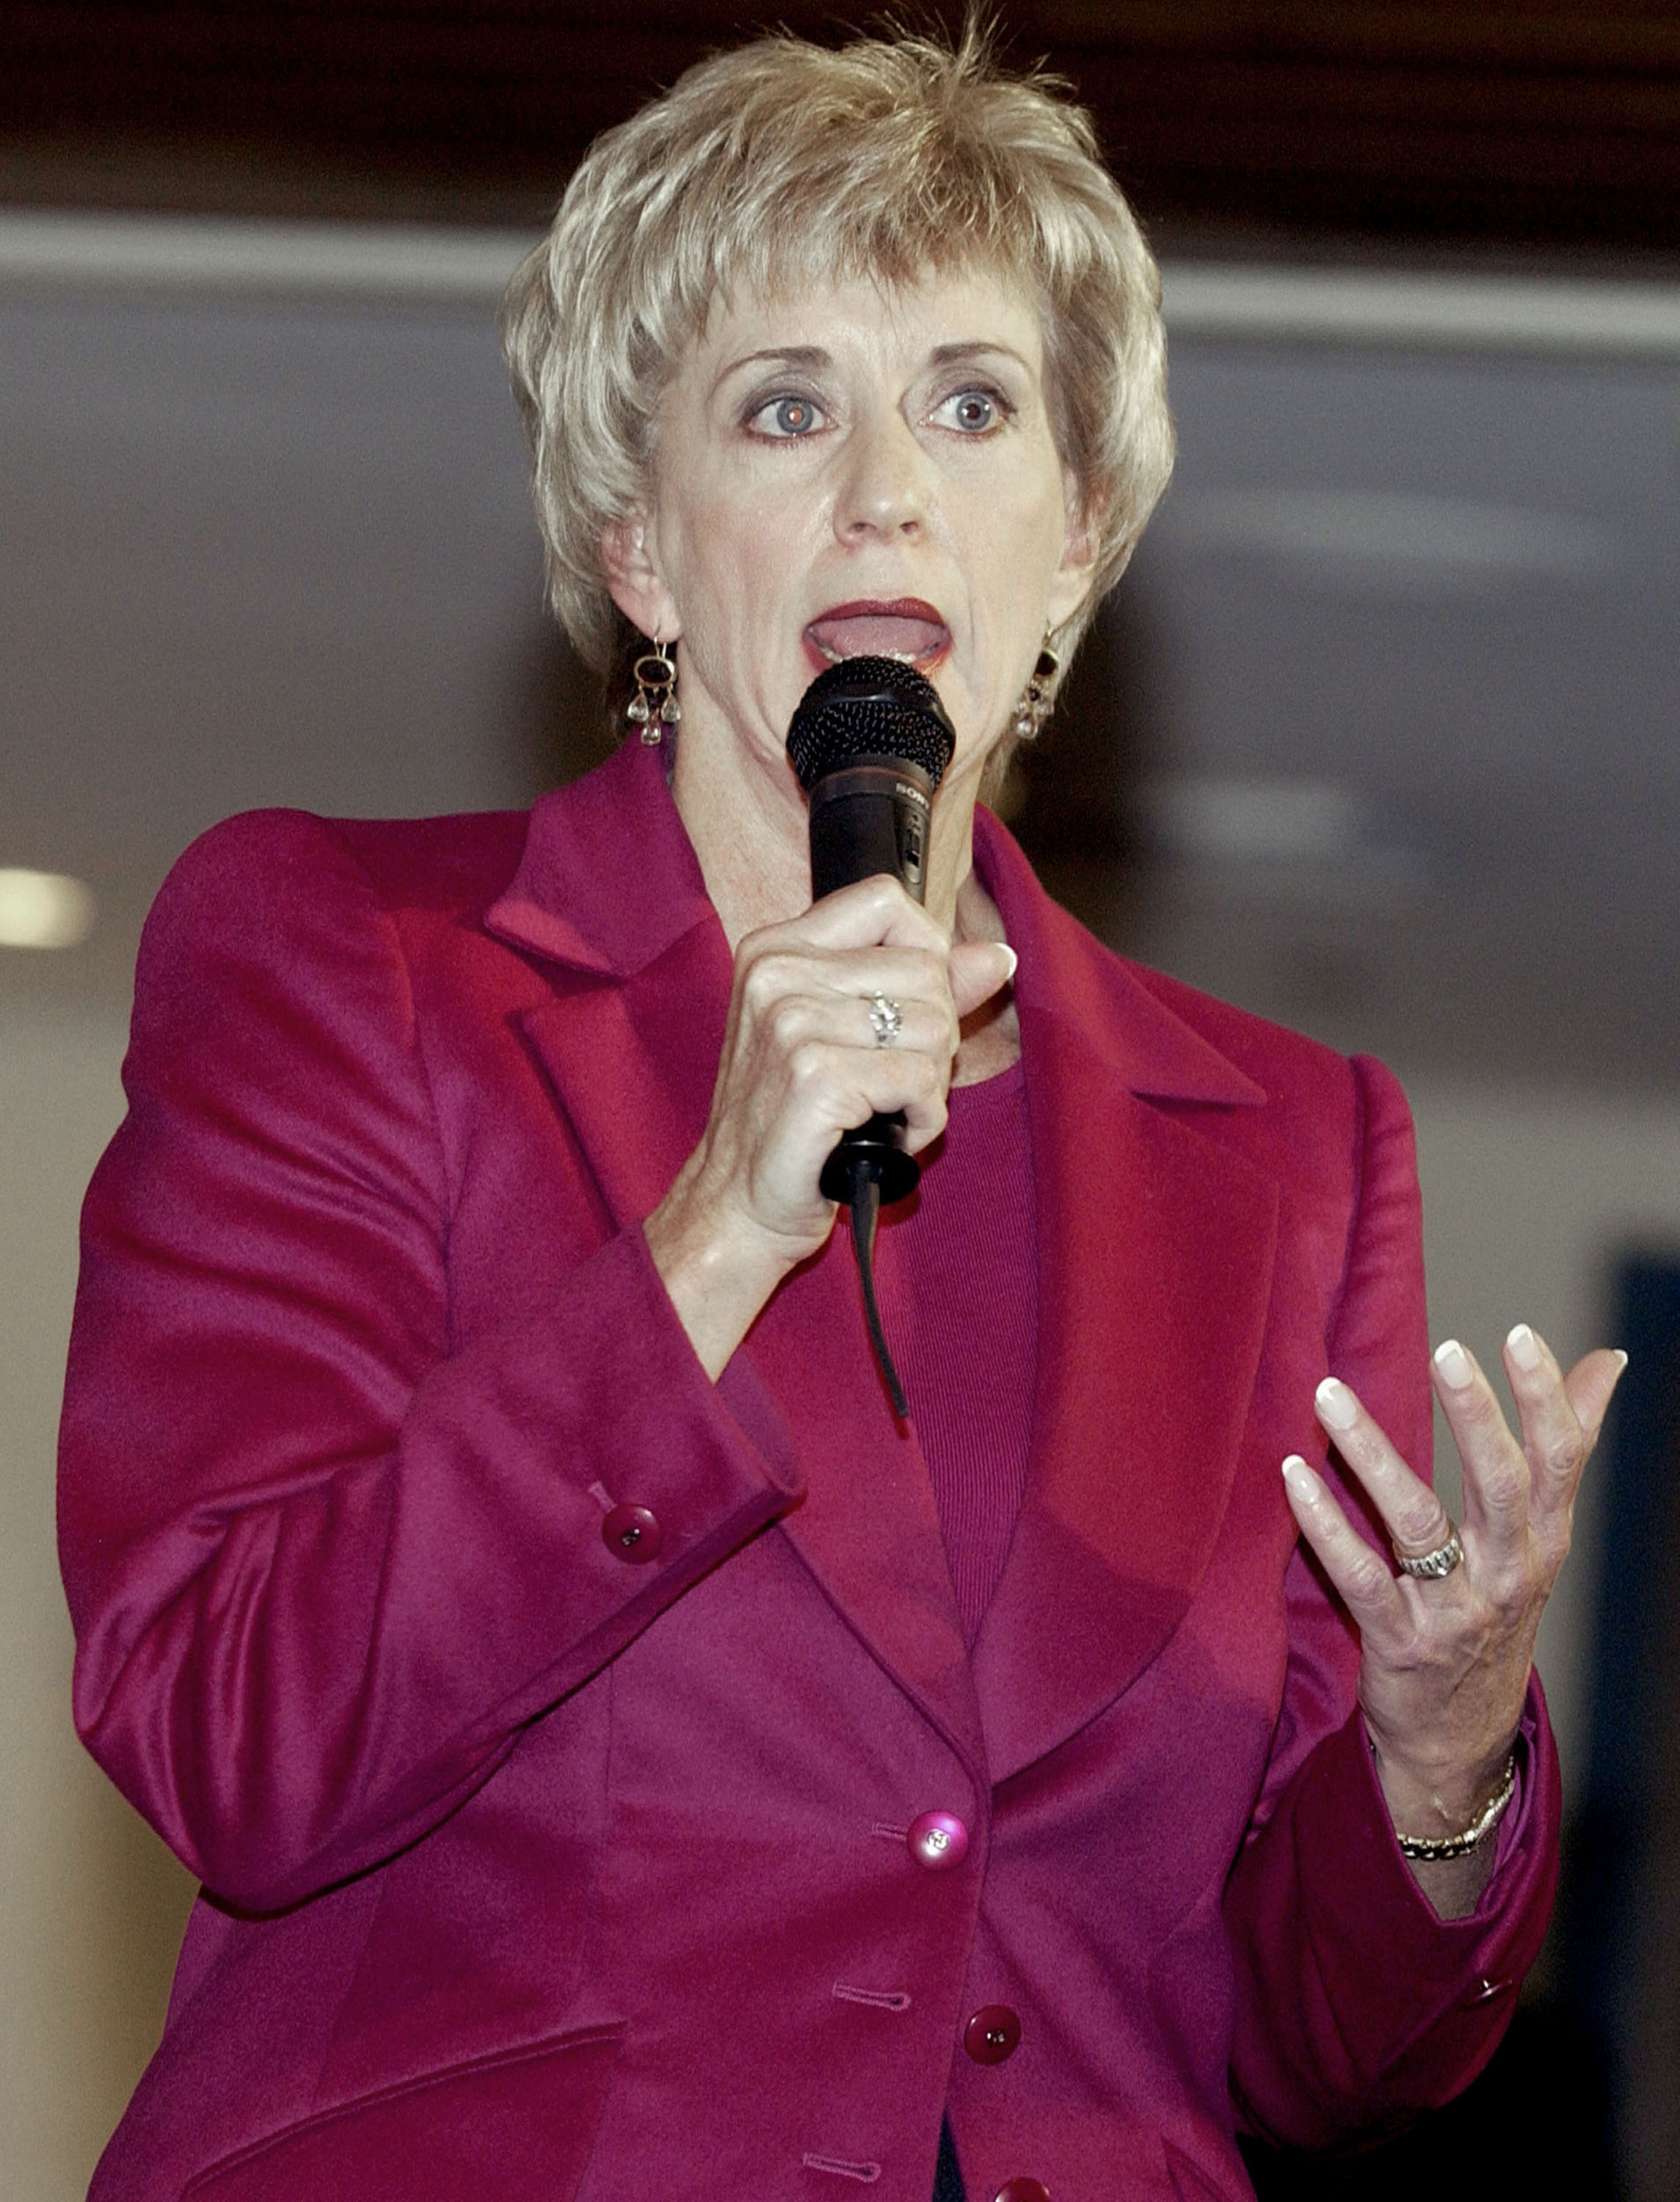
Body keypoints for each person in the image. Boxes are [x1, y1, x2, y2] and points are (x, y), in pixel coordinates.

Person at [58, 26, 1623, 2202]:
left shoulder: (1286, 1141)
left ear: (1071, 543)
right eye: (784, 406)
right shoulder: (356, 963)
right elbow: (231, 1735)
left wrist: (1434, 1756)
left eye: (971, 407)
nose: (888, 485)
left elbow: (1307, 2049)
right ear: (638, 546)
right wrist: (706, 1236)